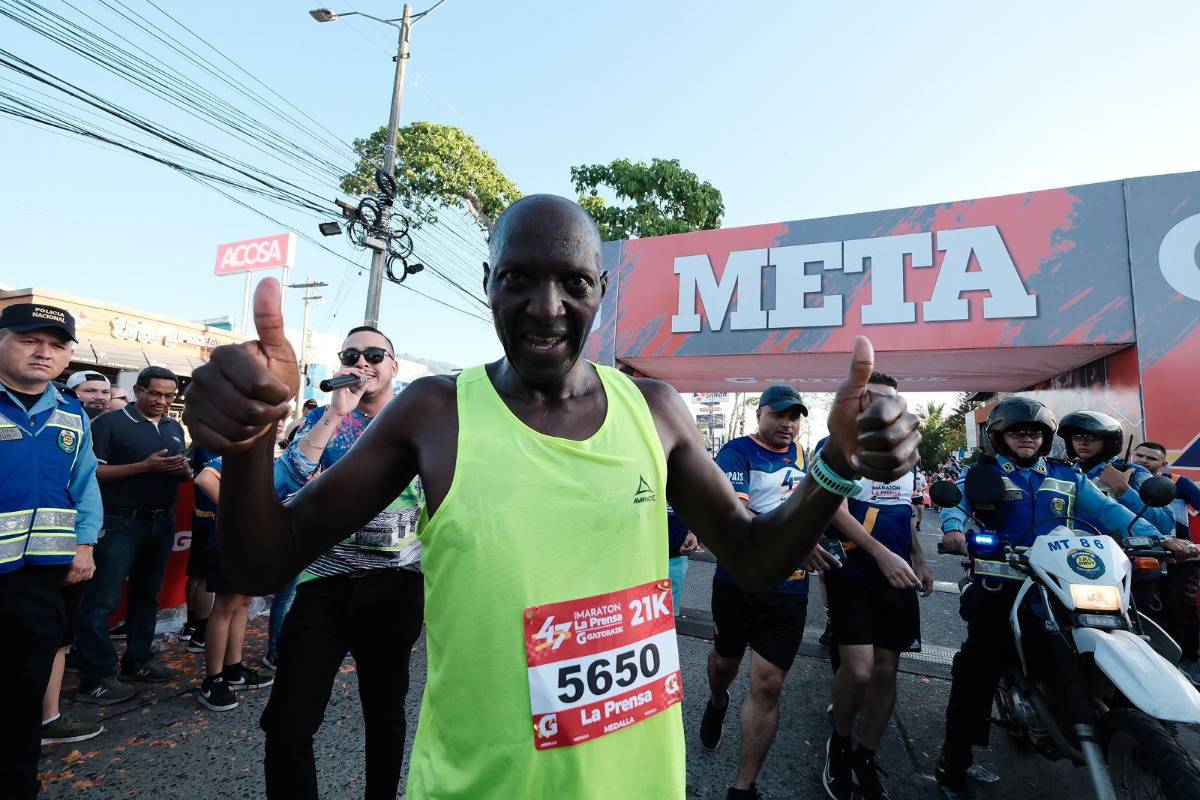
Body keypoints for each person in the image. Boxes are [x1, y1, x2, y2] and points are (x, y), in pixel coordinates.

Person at [182, 194, 921, 800]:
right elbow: (262, 562)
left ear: (601, 289)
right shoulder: (437, 413)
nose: (546, 307)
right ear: (488, 280)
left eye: (573, 282)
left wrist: (834, 464)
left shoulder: (655, 411)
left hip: (637, 783)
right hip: (479, 784)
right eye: (519, 279)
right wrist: (249, 440)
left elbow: (755, 558)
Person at [935, 398, 1193, 798]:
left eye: (1035, 432)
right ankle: (953, 764)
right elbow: (958, 508)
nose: (1027, 438)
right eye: (1017, 431)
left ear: (1046, 438)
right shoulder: (981, 475)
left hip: (1066, 584)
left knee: (1128, 631)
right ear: (999, 436)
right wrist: (954, 532)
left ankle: (1136, 725)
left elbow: (1110, 512)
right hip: (1003, 585)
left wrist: (1161, 538)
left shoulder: (1067, 477)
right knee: (977, 668)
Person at [257, 326, 424, 799]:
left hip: (394, 585)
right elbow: (280, 486)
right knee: (289, 719)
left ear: (394, 366)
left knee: (383, 713)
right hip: (322, 585)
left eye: (375, 354)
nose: (363, 362)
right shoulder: (325, 420)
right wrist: (334, 414)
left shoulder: (417, 421)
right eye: (352, 354)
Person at [0, 303, 102, 798]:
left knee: (23, 695)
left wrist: (84, 545)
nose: (44, 353)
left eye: (57, 345)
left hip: (41, 579)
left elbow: (85, 486)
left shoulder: (71, 413)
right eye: (28, 340)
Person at [700, 385, 820, 799]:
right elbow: (738, 515)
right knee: (725, 666)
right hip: (739, 583)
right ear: (761, 414)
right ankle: (717, 700)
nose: (789, 424)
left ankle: (743, 787)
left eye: (796, 417)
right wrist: (792, 544)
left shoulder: (808, 459)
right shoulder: (736, 452)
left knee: (768, 685)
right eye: (781, 415)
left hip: (789, 589)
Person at [820, 373, 934, 800]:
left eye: (893, 400)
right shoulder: (838, 444)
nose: (885, 407)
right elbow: (835, 510)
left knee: (887, 671)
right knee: (860, 670)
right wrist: (881, 554)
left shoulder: (905, 451)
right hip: (852, 572)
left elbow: (904, 511)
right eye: (876, 397)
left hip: (898, 575)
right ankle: (840, 743)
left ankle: (866, 755)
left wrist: (917, 557)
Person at [75, 366, 191, 704]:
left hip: (161, 521)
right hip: (119, 522)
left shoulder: (173, 427)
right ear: (138, 390)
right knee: (102, 600)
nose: (162, 401)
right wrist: (145, 467)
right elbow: (92, 473)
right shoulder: (109, 424)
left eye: (169, 396)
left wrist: (182, 470)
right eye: (155, 394)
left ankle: (137, 661)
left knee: (147, 596)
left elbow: (178, 468)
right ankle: (95, 677)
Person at [193, 455, 272, 710]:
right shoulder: (239, 448)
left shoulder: (267, 453)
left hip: (253, 543)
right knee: (226, 606)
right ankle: (212, 679)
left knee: (244, 602)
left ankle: (233, 669)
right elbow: (204, 479)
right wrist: (240, 515)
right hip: (228, 542)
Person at [1131, 441, 1200, 685]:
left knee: (1181, 609)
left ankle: (1190, 661)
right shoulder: (1122, 481)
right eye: (1139, 455)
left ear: (1163, 464)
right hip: (1136, 558)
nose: (1143, 461)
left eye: (1151, 458)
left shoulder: (1179, 483)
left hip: (1178, 558)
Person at [1058, 411, 1174, 534]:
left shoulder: (1133, 473)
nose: (1082, 442)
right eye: (1077, 437)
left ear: (1109, 441)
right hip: (1067, 547)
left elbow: (1165, 524)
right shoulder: (1062, 472)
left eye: (1090, 437)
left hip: (1119, 550)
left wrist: (1123, 489)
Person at [666, 504, 698, 615]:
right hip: (639, 557)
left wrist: (692, 531)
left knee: (667, 619)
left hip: (675, 557)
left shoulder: (689, 486)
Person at [911, 465, 927, 530]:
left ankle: (918, 524)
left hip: (918, 496)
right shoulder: (907, 476)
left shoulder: (921, 476)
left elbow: (926, 486)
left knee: (920, 509)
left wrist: (922, 488)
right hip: (910, 496)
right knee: (911, 510)